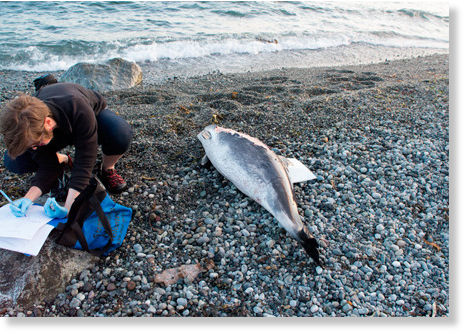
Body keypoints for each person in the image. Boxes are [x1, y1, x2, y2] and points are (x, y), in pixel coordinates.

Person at [0, 81, 132, 219]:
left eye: (35, 144)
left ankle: (107, 168)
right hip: (50, 131)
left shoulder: (77, 107)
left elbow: (85, 160)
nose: (33, 148)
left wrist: (68, 207)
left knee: (119, 133)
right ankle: (62, 159)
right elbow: (47, 166)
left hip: (89, 117)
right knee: (14, 161)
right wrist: (28, 198)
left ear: (48, 123)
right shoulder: (30, 127)